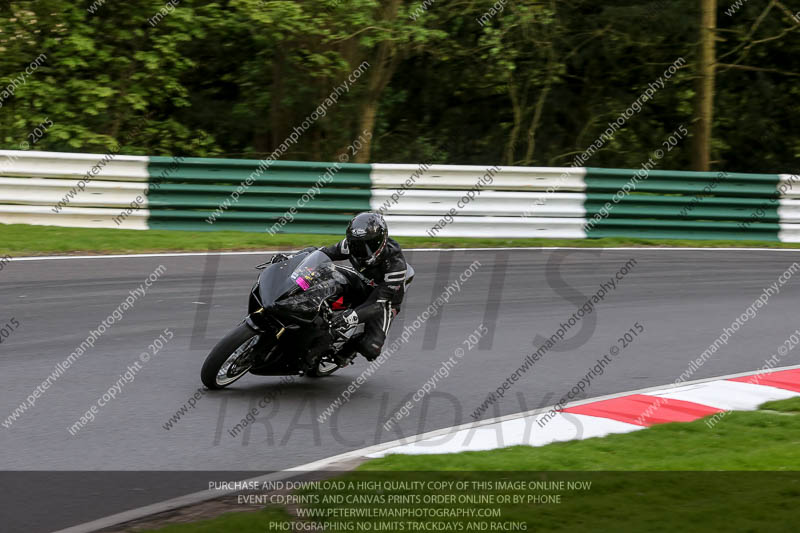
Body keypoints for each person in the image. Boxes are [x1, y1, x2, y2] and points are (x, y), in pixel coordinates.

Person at [319, 212, 408, 361]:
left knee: (371, 348)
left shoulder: (396, 266)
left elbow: (378, 304)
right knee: (321, 273)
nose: (360, 250)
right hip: (360, 280)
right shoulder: (351, 245)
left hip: (383, 300)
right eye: (356, 244)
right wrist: (295, 258)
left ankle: (348, 351)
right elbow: (324, 253)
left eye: (369, 245)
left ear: (381, 242)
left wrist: (351, 318)